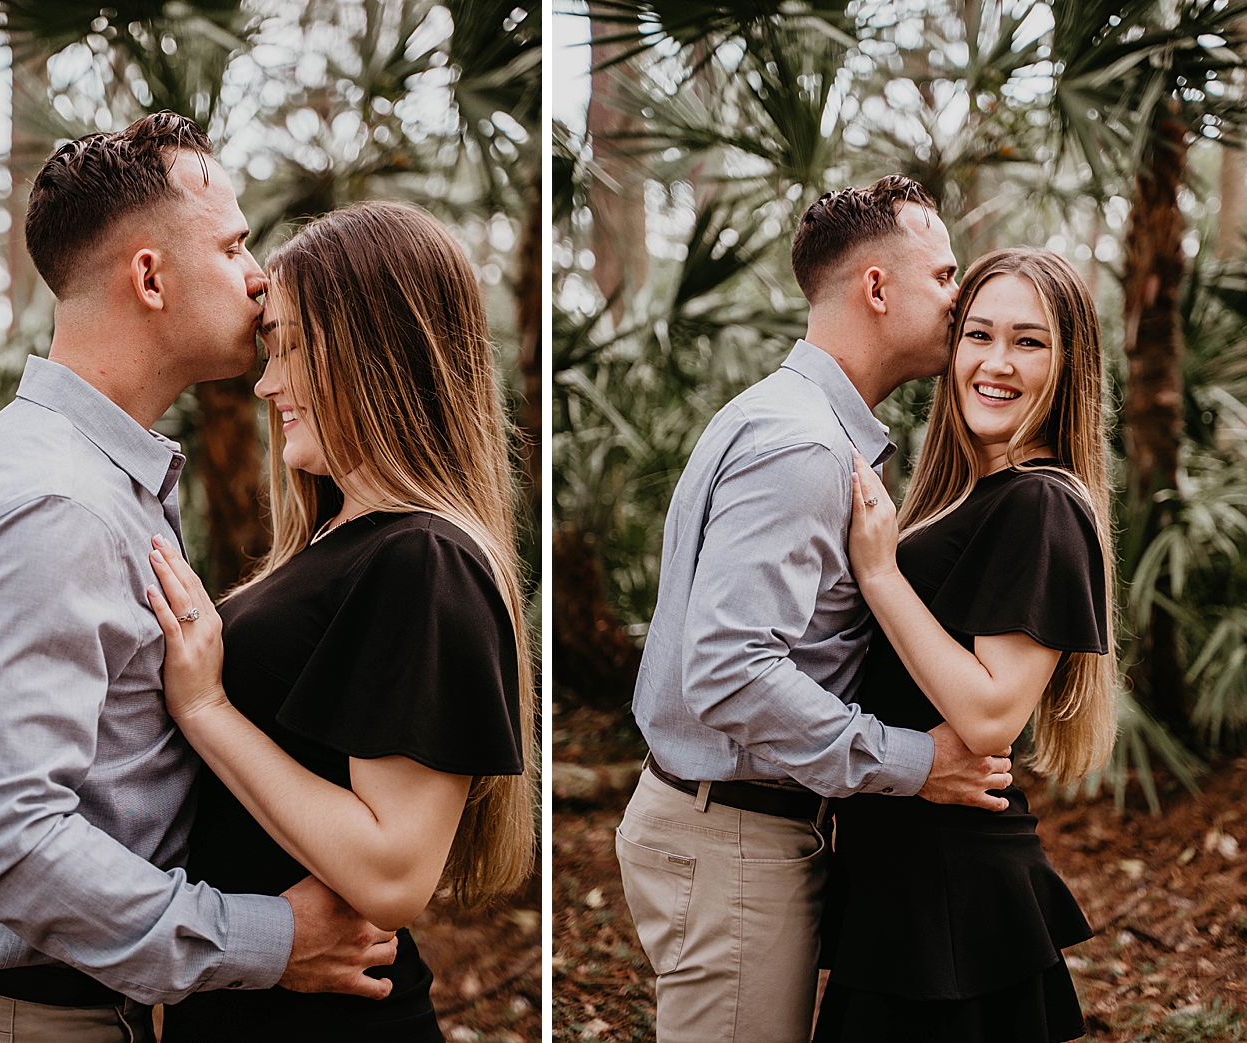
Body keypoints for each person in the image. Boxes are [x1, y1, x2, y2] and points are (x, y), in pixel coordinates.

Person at [0, 114, 399, 1043]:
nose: (261, 274)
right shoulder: (53, 502)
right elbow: (5, 843)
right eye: (233, 246)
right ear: (149, 276)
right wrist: (269, 939)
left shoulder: (100, 477)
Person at [617, 176, 1017, 1043]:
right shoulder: (801, 445)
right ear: (877, 288)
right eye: (945, 277)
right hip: (731, 840)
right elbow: (729, 671)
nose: (960, 299)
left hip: (729, 828)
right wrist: (917, 761)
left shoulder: (781, 418)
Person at [140, 200, 536, 1042]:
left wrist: (206, 709)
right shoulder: (340, 539)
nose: (264, 382)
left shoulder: (424, 558)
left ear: (375, 351)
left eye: (289, 347)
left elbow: (394, 873)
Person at [814, 248, 1116, 1043]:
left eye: (1029, 341)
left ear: (1069, 362)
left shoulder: (1042, 503)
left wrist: (880, 573)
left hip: (953, 901)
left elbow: (990, 715)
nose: (996, 363)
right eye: (979, 335)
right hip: (909, 889)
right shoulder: (978, 495)